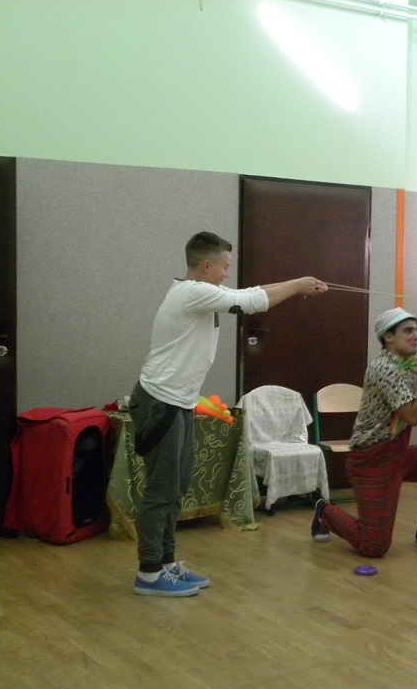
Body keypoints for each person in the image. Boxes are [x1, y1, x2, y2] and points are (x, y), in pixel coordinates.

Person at [130, 231, 327, 597]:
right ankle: (149, 572)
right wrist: (298, 285)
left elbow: (249, 293)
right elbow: (249, 301)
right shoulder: (192, 292)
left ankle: (166, 563)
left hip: (178, 403)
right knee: (162, 491)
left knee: (176, 487)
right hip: (160, 403)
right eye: (224, 267)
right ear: (207, 265)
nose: (226, 273)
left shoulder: (198, 293)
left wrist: (296, 283)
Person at [310, 308, 417, 558]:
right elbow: (412, 415)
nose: (416, 336)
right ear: (388, 337)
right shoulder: (384, 369)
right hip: (371, 461)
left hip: (398, 452)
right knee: (374, 547)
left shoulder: (412, 361)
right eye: (408, 331)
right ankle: (324, 512)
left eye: (415, 330)